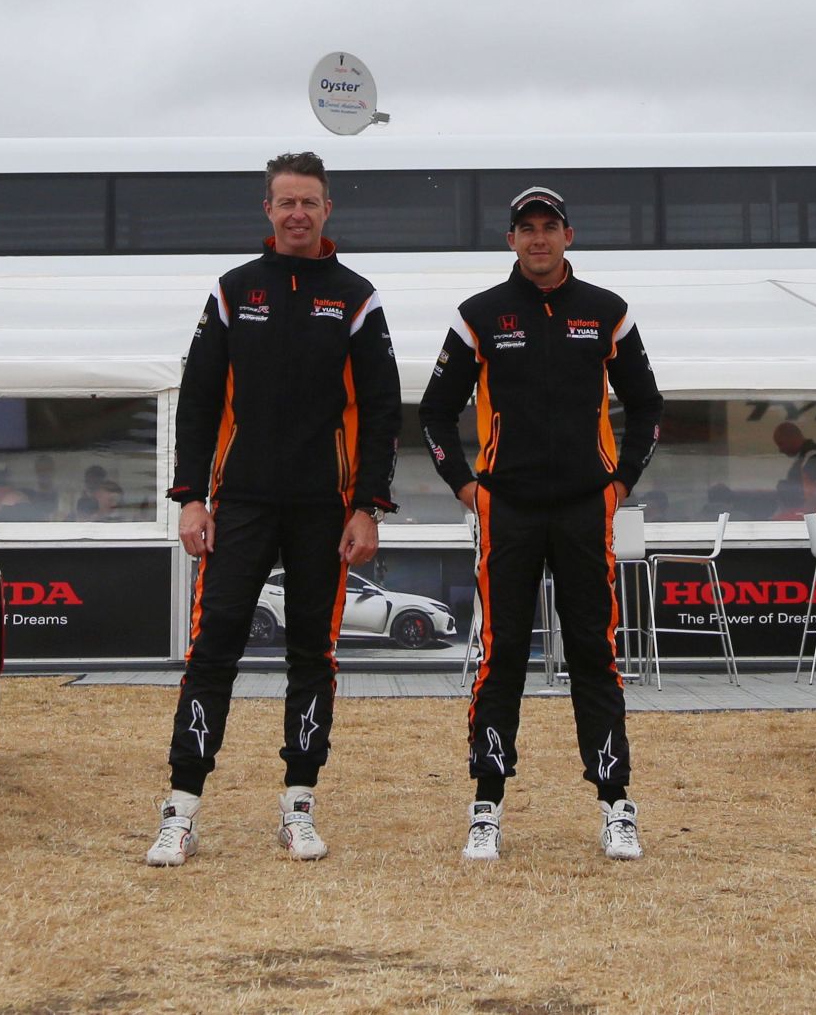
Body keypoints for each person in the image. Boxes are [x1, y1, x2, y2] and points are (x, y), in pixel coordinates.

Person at [145, 151, 400, 866]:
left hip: (325, 509)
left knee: (312, 654)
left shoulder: (355, 296)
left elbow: (383, 410)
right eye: (286, 202)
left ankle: (299, 804)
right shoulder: (234, 291)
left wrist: (368, 506)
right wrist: (191, 497)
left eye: (309, 202)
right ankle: (181, 809)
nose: (297, 214)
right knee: (213, 647)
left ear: (327, 210)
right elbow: (198, 400)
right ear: (268, 209)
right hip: (242, 504)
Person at [421, 185, 662, 862]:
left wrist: (620, 484)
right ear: (511, 240)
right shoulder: (479, 315)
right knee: (500, 655)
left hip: (586, 508)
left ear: (568, 235)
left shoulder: (606, 312)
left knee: (593, 652)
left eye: (548, 226)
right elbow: (434, 411)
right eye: (525, 228)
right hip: (509, 510)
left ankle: (616, 803)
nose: (538, 238)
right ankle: (486, 806)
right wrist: (466, 487)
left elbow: (647, 406)